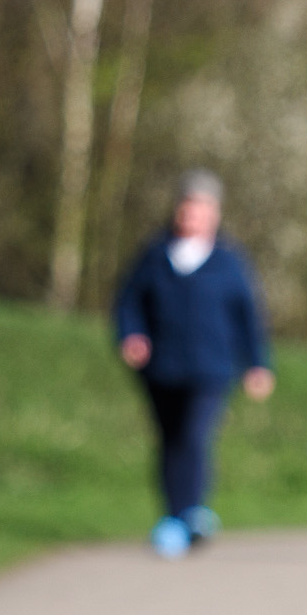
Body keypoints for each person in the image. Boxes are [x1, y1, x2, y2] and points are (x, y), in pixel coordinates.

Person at [115, 170, 274, 558]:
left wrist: (257, 364)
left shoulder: (229, 261)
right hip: (162, 368)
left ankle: (189, 513)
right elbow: (128, 303)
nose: (193, 217)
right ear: (177, 211)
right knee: (170, 440)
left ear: (214, 215)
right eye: (188, 208)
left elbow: (248, 316)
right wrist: (132, 335)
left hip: (211, 369)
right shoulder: (154, 254)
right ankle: (175, 515)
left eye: (202, 209)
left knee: (194, 436)